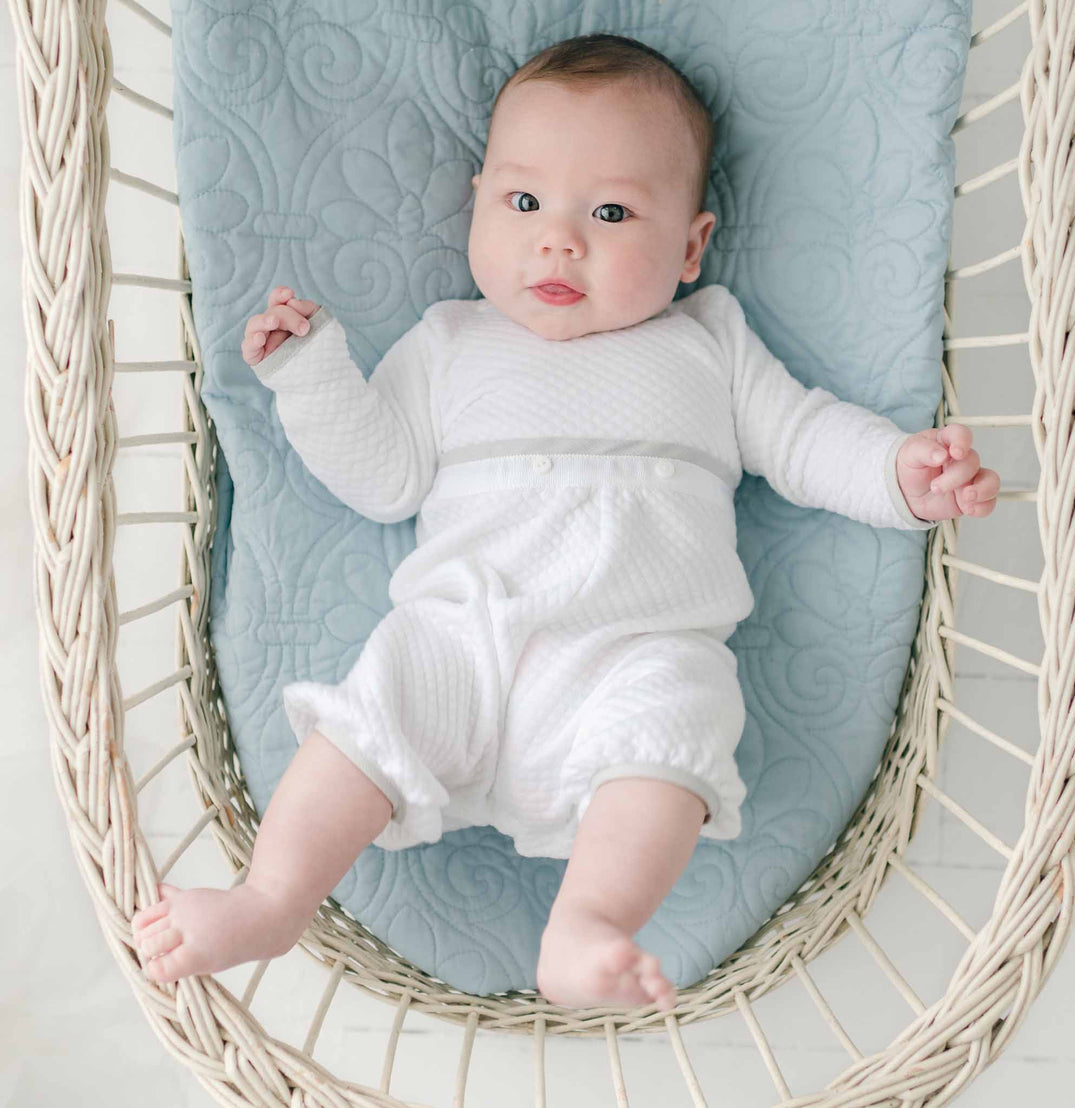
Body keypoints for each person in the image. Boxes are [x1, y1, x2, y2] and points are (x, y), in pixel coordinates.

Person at [131, 33, 999, 1011]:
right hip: (465, 635)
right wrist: (313, 373)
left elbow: (802, 438)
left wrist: (894, 471)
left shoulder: (706, 344)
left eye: (613, 212)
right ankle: (273, 896)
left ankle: (589, 921)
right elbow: (380, 475)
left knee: (677, 725)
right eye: (525, 202)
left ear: (689, 246)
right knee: (364, 722)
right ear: (478, 202)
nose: (559, 239)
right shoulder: (450, 343)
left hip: (631, 650)